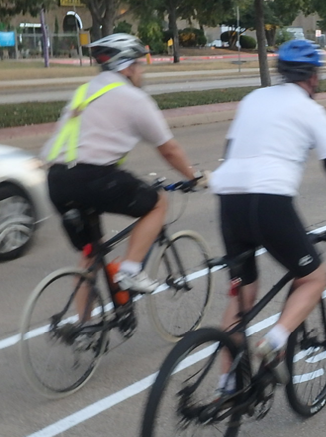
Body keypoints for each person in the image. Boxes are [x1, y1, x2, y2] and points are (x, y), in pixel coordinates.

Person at [210, 39, 326, 390]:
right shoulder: (310, 110)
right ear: (313, 76)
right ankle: (273, 344)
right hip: (269, 202)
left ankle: (226, 388)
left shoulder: (252, 99)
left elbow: (232, 151)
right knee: (314, 277)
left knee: (243, 296)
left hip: (228, 200)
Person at [40, 33, 206, 292]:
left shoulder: (84, 92)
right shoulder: (134, 98)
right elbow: (169, 149)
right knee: (159, 202)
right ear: (127, 67)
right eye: (139, 64)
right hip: (93, 178)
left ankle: (82, 326)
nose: (141, 71)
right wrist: (193, 176)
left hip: (56, 180)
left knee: (92, 254)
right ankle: (130, 271)